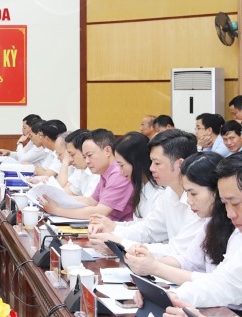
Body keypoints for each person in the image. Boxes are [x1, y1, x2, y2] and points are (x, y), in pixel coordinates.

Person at [140, 152, 242, 313]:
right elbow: (223, 282)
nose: (230, 214)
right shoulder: (229, 230)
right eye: (225, 203)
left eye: (235, 203)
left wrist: (155, 267)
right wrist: (173, 296)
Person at [88, 129, 203, 257]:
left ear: (180, 164)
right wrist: (112, 234)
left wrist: (120, 243)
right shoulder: (169, 193)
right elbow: (148, 230)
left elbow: (178, 252)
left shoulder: (199, 202)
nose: (151, 168)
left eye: (157, 163)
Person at [41, 129, 134, 221]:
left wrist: (57, 210)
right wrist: (56, 199)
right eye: (84, 157)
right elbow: (91, 201)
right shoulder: (105, 171)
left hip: (120, 227)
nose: (87, 161)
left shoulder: (118, 173)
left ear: (107, 151)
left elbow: (100, 212)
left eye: (90, 155)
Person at [113, 132, 162, 220]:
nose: (120, 171)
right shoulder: (141, 187)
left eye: (121, 165)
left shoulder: (159, 194)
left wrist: (113, 226)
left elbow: (147, 227)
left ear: (136, 162)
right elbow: (138, 225)